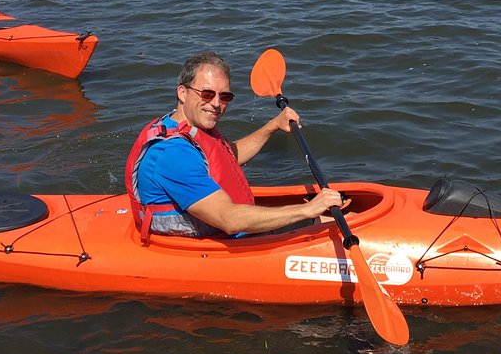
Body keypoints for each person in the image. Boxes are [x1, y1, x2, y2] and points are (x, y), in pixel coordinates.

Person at [126, 51, 344, 243]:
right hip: (216, 238)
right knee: (332, 223)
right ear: (182, 93)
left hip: (223, 228)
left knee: (335, 218)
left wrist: (273, 126)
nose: (216, 104)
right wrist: (307, 209)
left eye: (225, 96)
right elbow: (229, 219)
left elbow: (226, 157)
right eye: (207, 94)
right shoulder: (171, 155)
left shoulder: (185, 125)